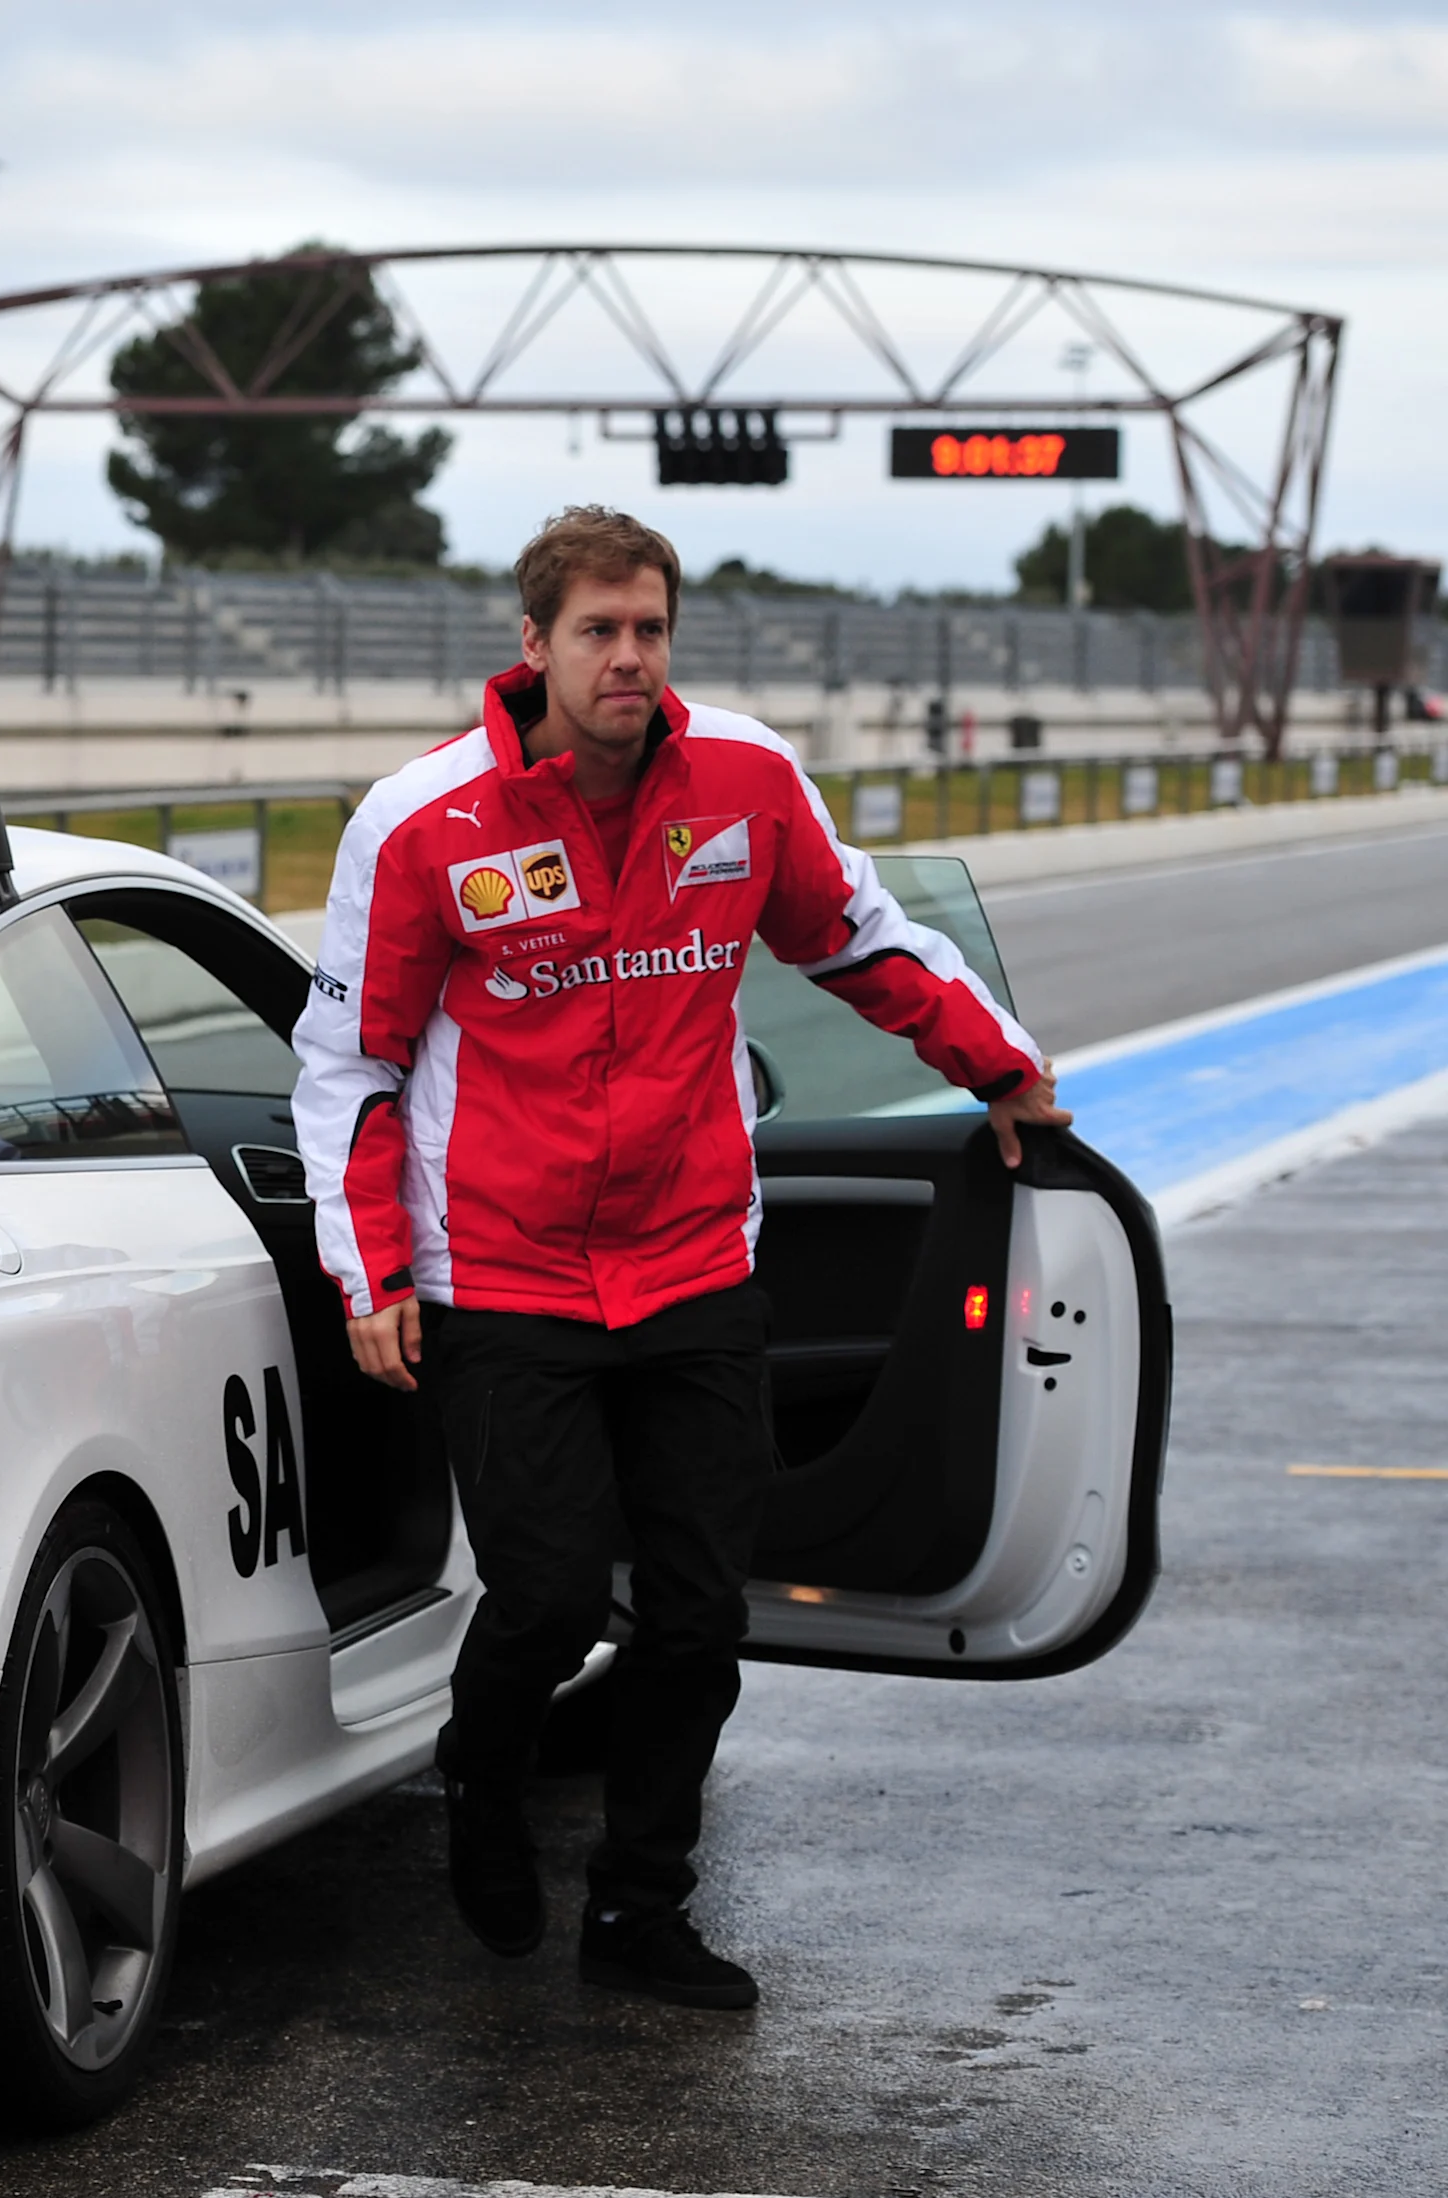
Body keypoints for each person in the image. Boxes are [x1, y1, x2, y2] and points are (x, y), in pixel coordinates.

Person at [289, 506, 1069, 2010]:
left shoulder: (747, 781)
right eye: (599, 630)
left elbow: (857, 936)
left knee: (704, 1615)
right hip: (501, 1277)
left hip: (697, 1261)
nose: (629, 656)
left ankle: (642, 1910)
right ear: (535, 647)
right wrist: (370, 1270)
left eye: (649, 628)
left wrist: (1001, 1071)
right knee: (549, 1600)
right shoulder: (425, 820)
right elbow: (349, 1068)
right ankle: (480, 1783)